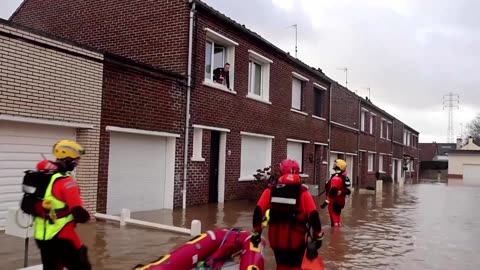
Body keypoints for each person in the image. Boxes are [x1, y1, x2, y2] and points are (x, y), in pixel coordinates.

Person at [251, 159, 324, 270]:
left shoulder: (270, 190)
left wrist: (256, 233)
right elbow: (314, 216)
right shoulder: (303, 192)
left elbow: (258, 212)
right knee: (296, 266)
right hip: (297, 241)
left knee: (281, 266)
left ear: (281, 172)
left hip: (277, 241)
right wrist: (318, 236)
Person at [33, 140, 92, 270]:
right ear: (68, 159)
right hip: (62, 236)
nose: (78, 163)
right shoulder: (66, 181)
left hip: (41, 236)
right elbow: (79, 213)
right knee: (82, 266)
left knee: (53, 267)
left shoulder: (43, 175)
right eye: (76, 160)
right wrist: (88, 218)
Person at [321, 159, 351, 227]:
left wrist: (325, 202)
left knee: (334, 220)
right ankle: (338, 232)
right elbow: (346, 190)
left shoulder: (335, 178)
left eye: (335, 164)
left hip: (333, 202)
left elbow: (332, 192)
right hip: (340, 202)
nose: (333, 165)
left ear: (339, 166)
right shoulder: (342, 177)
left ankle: (335, 235)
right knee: (337, 219)